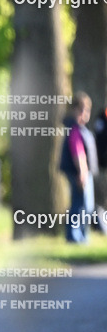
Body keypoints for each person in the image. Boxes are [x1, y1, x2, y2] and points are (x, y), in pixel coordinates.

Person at [60, 93, 98, 243]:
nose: (85, 113)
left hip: (83, 172)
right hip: (79, 173)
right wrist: (82, 173)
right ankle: (75, 237)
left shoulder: (80, 129)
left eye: (87, 110)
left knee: (85, 205)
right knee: (80, 205)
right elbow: (78, 153)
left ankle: (82, 236)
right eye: (82, 109)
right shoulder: (74, 129)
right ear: (75, 110)